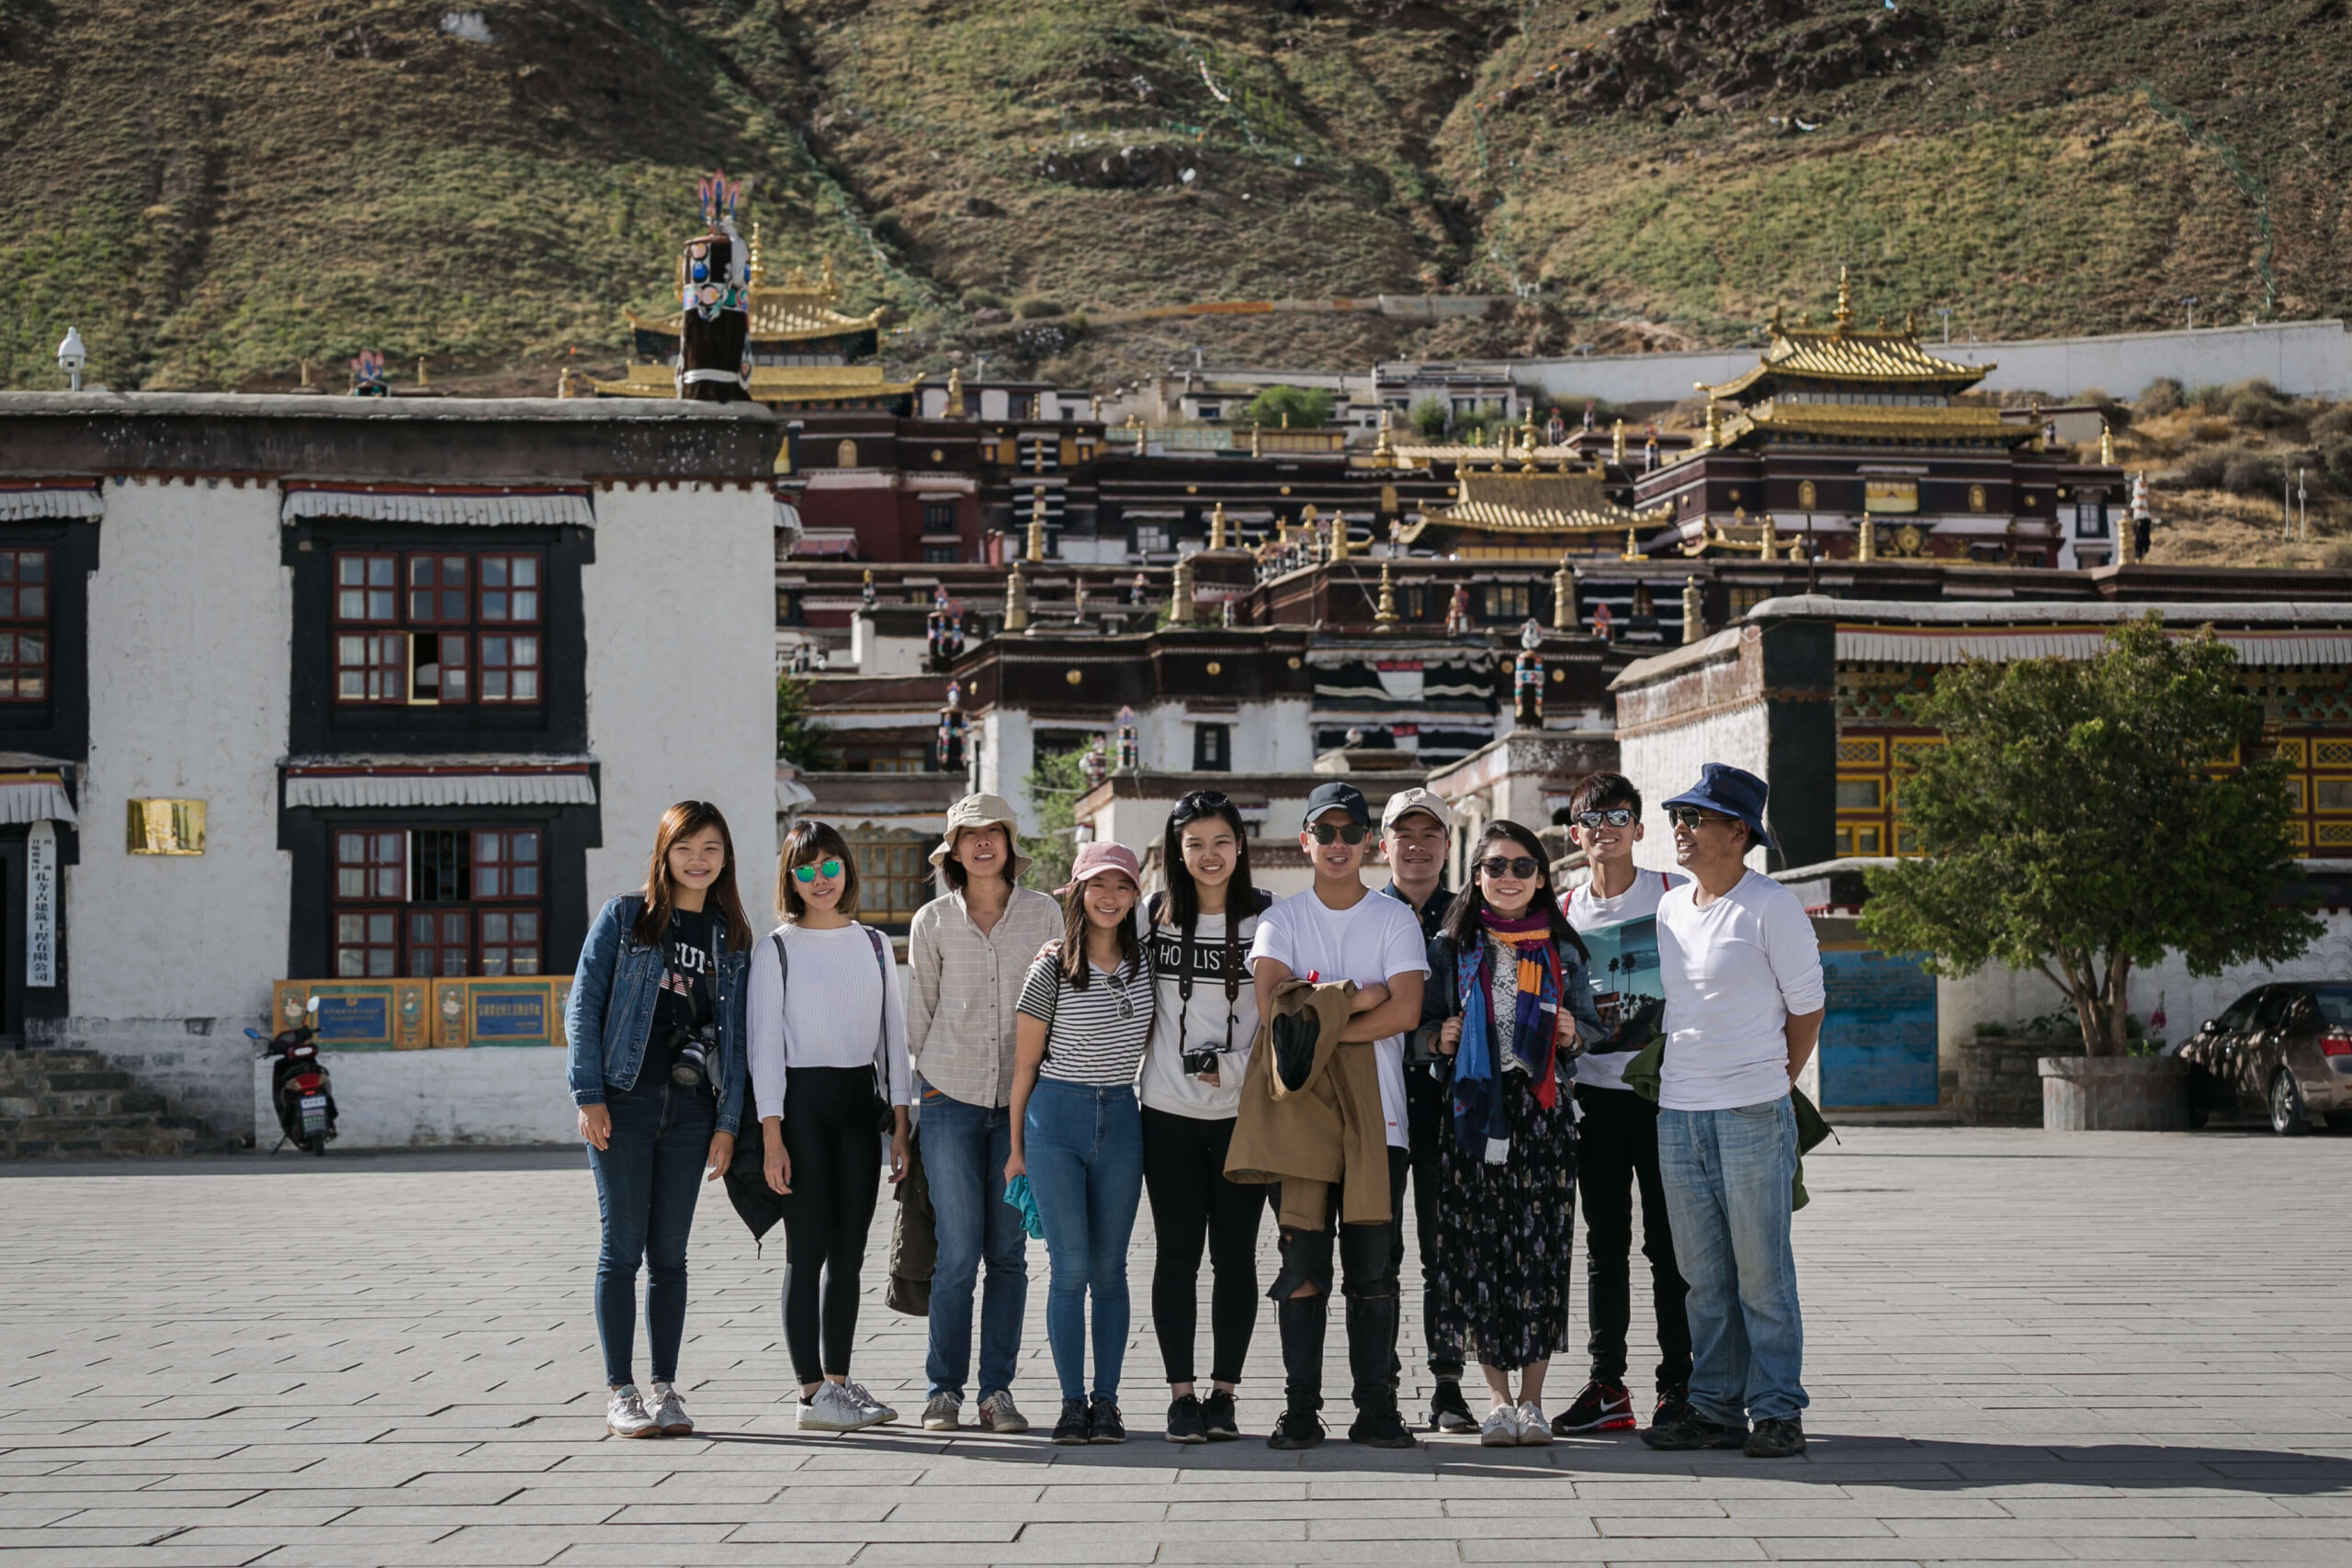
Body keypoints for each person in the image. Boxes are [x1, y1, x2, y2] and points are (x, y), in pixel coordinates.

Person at [1640, 764, 1824, 1461]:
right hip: (1678, 1112)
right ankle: (1714, 1407)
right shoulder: (1670, 908)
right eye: (1678, 816)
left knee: (1762, 1272)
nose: (1680, 829)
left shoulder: (1770, 905)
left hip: (1751, 1109)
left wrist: (1775, 1079)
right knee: (1703, 1276)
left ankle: (1778, 1409)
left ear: (1737, 831)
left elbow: (1807, 1004)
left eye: (1696, 817)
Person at [1249, 781, 1430, 1450]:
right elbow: (1274, 1013)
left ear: (1368, 844)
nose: (1336, 844)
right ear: (1305, 841)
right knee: (1301, 1266)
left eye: (1349, 832)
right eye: (1323, 832)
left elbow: (1406, 1011)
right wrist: (1360, 997)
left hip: (1378, 1118)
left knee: (1373, 1266)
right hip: (1299, 1118)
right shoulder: (1282, 918)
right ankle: (1301, 1408)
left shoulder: (1393, 919)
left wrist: (1320, 1011)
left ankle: (1376, 1406)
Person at [566, 800, 752, 1439]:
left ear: (725, 857)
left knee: (669, 1253)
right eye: (686, 847)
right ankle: (621, 1389)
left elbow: (740, 1038)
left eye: (711, 848)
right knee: (621, 1247)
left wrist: (727, 1122)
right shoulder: (627, 917)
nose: (698, 860)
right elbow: (584, 1003)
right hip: (625, 1098)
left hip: (694, 1108)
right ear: (664, 852)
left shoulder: (731, 934)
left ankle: (666, 1388)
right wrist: (588, 1092)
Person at [1424, 820, 1604, 1444]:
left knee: (1541, 1254)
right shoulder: (1453, 944)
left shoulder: (1561, 946)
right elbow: (1421, 1026)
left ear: (1542, 876)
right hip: (1475, 1109)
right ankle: (1496, 1399)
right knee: (1479, 1255)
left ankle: (1533, 1400)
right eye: (1495, 866)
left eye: (1522, 866)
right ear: (1475, 876)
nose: (1508, 878)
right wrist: (1436, 1037)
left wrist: (1573, 1035)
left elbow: (1592, 1026)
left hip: (1543, 1112)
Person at [748, 822, 913, 1433]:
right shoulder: (778, 948)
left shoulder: (873, 944)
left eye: (829, 866)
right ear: (789, 878)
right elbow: (763, 1047)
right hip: (800, 1113)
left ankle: (839, 1382)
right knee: (807, 1250)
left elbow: (892, 1039)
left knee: (850, 1254)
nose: (820, 880)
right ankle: (810, 1391)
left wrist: (900, 1123)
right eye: (805, 870)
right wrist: (771, 1135)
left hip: (855, 1109)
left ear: (847, 867)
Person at [905, 794, 1062, 1435]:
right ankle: (942, 1389)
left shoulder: (1045, 912)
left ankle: (996, 1391)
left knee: (1009, 1253)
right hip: (949, 1097)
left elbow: (1061, 999)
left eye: (992, 832)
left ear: (1008, 841)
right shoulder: (932, 920)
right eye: (969, 835)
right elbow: (918, 1012)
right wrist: (916, 1103)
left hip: (1023, 1105)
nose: (982, 844)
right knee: (956, 1253)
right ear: (953, 850)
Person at [1555, 772, 1693, 1436]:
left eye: (1618, 815)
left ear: (1639, 828)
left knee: (1670, 1248)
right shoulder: (1563, 909)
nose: (1603, 827)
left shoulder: (1674, 894)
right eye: (1590, 818)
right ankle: (1607, 1384)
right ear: (1573, 833)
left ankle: (1681, 1386)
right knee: (1603, 1246)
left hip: (1668, 1097)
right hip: (1593, 1098)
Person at [1006, 840, 1157, 1446]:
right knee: (1068, 1271)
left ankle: (1107, 1401)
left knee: (1111, 1271)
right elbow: (1023, 1068)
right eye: (1099, 885)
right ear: (1078, 891)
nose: (1110, 897)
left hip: (1123, 1116)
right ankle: (1072, 1403)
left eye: (1122, 886)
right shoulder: (1049, 967)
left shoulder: (1148, 964)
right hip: (1055, 1121)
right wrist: (1016, 1149)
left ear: (1135, 895)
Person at [1138, 792, 1273, 1444]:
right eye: (1195, 844)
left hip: (1244, 1116)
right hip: (1166, 1114)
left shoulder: (1270, 919)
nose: (1209, 855)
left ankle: (1224, 1392)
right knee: (1176, 1255)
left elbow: (1294, 1012)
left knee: (1237, 1257)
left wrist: (1240, 1068)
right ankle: (1180, 1394)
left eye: (1220, 840)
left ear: (1240, 844)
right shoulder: (1152, 917)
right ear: (1176, 851)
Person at [1377, 786, 1475, 1434]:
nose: (1416, 846)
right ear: (1380, 844)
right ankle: (1378, 1382)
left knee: (1447, 1250)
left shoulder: (1472, 915)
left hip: (1450, 1108)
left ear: (1448, 842)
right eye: (1403, 834)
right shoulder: (1359, 913)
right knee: (1376, 1249)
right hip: (1377, 1101)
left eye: (1429, 834)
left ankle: (1447, 1384)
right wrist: (1424, 1035)